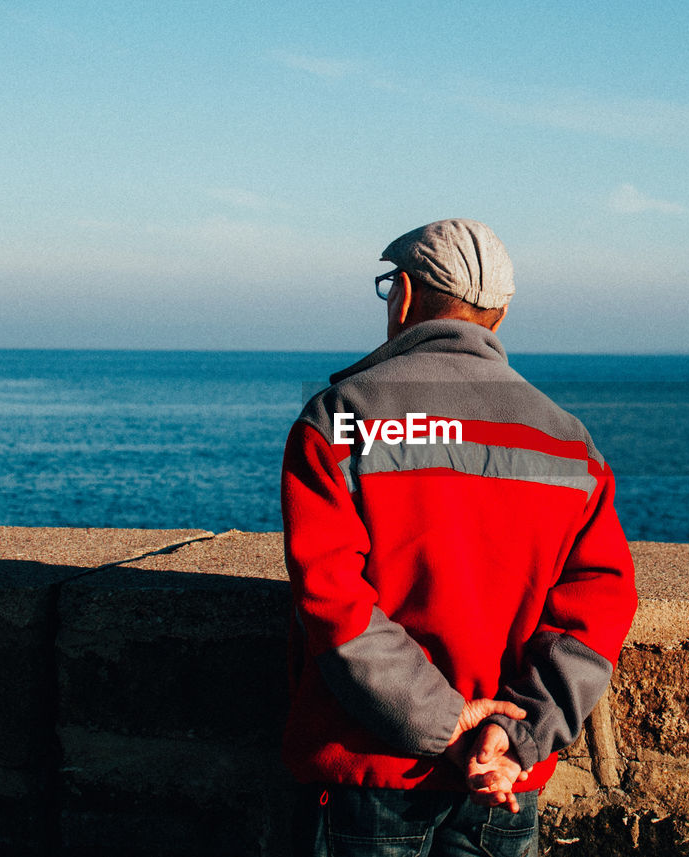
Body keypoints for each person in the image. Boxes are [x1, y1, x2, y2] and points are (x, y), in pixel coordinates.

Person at [281, 218, 638, 855]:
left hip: (375, 771)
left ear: (407, 298)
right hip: (503, 781)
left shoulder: (343, 419)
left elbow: (333, 598)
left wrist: (441, 723)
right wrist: (513, 733)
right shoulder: (569, 441)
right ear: (498, 315)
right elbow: (599, 606)